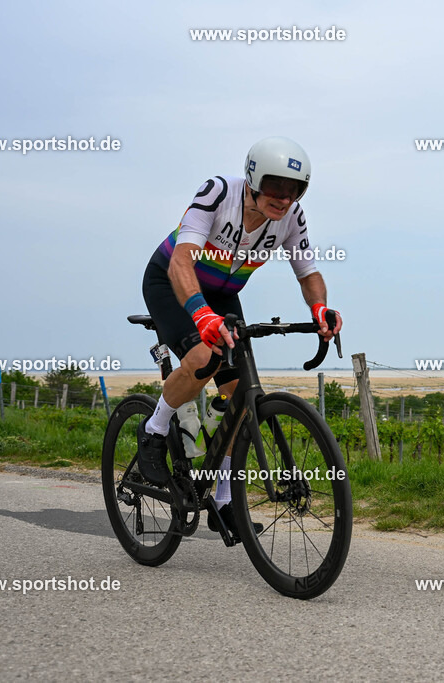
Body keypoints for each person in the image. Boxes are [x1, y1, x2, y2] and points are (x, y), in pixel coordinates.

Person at [136, 136, 342, 541]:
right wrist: (200, 315)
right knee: (201, 359)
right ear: (252, 179)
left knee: (239, 396)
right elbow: (182, 260)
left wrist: (319, 309)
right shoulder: (218, 193)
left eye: (294, 190)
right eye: (275, 187)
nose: (284, 199)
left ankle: (226, 500)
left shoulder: (292, 217)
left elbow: (308, 272)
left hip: (224, 295)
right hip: (172, 281)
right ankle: (155, 428)